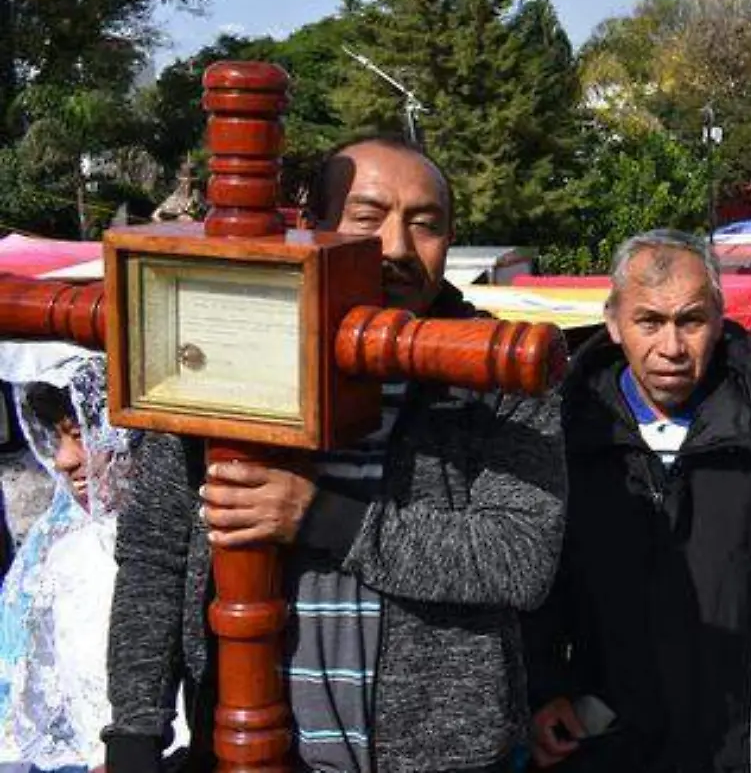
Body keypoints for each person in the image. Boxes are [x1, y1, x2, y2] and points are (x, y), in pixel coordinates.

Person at [106, 136, 567, 773]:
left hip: (445, 755)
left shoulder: (498, 370)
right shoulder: (223, 351)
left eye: (426, 225)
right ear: (315, 228)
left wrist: (320, 516)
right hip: (248, 745)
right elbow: (155, 558)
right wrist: (134, 736)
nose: (399, 248)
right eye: (368, 218)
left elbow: (520, 558)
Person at [523, 230, 751, 772]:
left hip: (749, 744)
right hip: (604, 743)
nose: (671, 347)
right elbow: (529, 581)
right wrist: (544, 686)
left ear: (718, 320)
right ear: (613, 322)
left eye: (690, 321)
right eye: (649, 321)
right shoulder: (561, 435)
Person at [0, 350, 179, 772]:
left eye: (80, 434)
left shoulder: (189, 545)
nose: (63, 460)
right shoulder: (58, 556)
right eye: (56, 438)